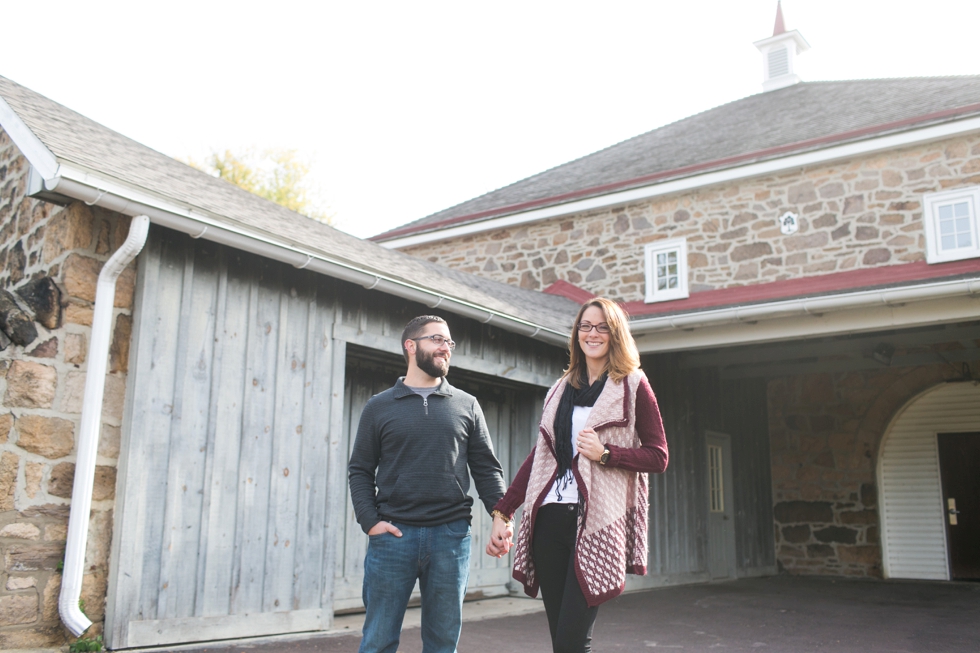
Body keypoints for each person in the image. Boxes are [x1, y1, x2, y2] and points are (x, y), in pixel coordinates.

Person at [486, 297, 669, 653]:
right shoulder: (560, 389)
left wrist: (605, 454)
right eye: (585, 326)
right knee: (562, 641)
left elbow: (658, 456)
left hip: (594, 522)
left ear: (615, 334)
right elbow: (541, 456)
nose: (593, 333)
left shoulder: (632, 385)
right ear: (576, 334)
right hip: (549, 520)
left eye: (602, 326)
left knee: (573, 640)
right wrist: (504, 510)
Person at [348, 315, 506, 653]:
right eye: (436, 339)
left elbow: (487, 469)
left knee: (442, 643)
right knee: (377, 640)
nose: (445, 348)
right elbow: (360, 469)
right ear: (410, 346)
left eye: (449, 342)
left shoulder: (467, 405)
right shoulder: (378, 407)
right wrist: (370, 521)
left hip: (450, 537)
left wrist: (501, 516)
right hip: (393, 537)